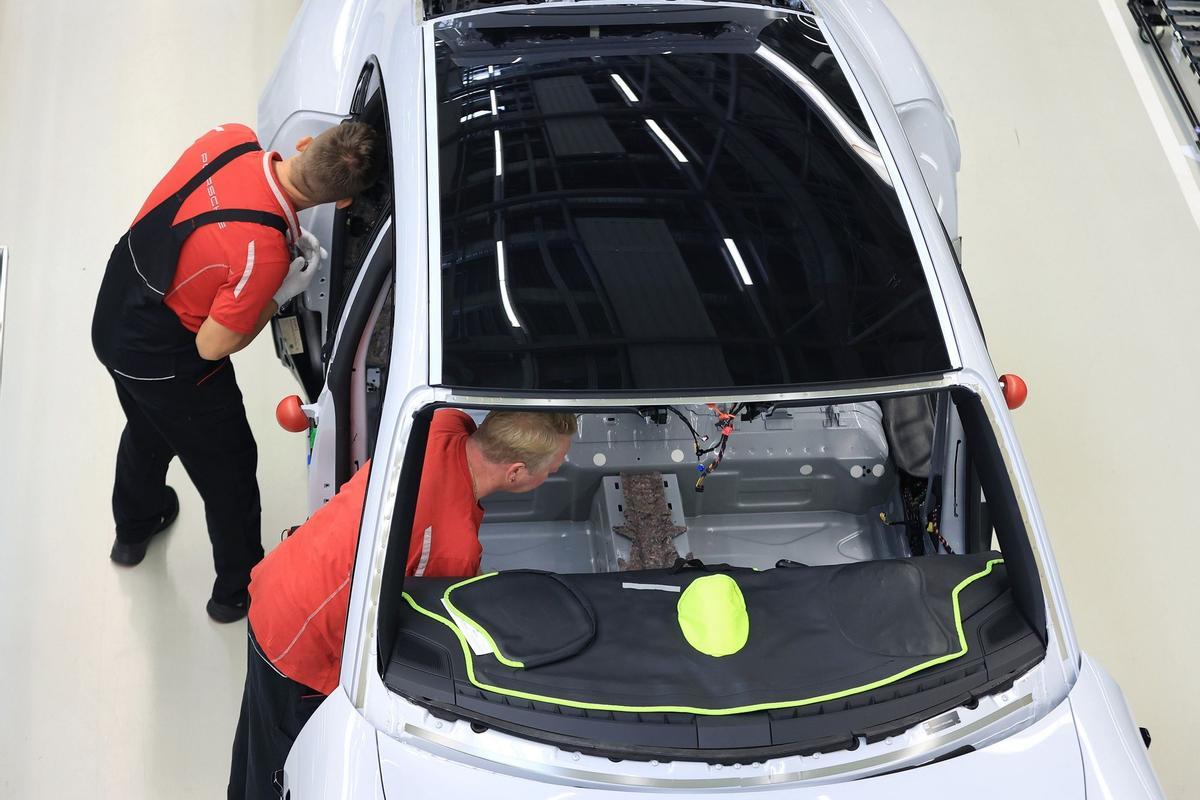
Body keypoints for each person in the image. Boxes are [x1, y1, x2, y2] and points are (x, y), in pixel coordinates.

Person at [91, 121, 383, 623]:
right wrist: (277, 294)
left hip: (116, 306)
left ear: (306, 145)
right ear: (342, 204)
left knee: (147, 425)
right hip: (165, 357)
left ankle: (134, 531)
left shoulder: (229, 139)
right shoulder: (263, 253)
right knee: (228, 474)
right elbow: (211, 345)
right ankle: (235, 593)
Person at [227, 409, 577, 800]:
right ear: (515, 473)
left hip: (282, 578)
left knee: (257, 730)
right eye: (552, 467)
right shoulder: (452, 550)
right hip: (302, 640)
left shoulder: (438, 426)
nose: (555, 472)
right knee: (282, 758)